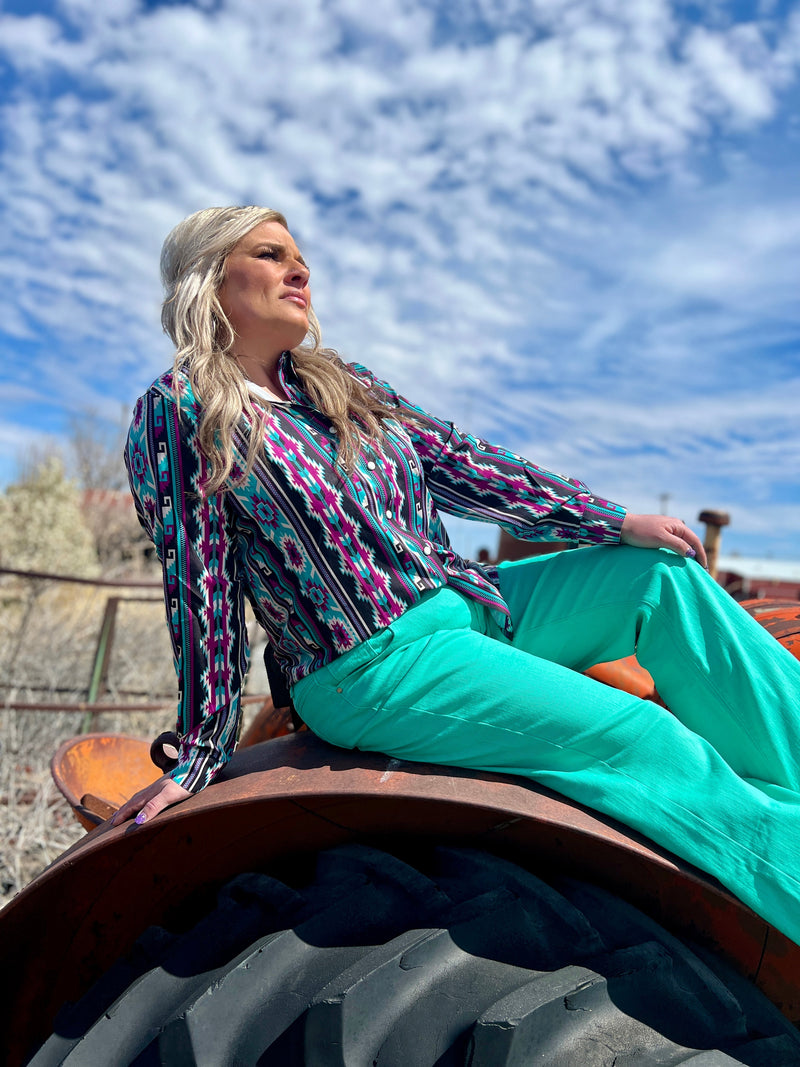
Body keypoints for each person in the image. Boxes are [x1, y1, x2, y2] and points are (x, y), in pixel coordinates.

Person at [116, 205, 800, 946]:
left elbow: (462, 461)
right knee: (636, 731)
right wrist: (203, 747)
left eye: (300, 256)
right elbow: (201, 585)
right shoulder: (179, 410)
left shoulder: (337, 382)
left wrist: (612, 521)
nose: (300, 269)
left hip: (467, 601)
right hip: (371, 665)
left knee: (660, 580)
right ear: (210, 276)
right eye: (271, 254)